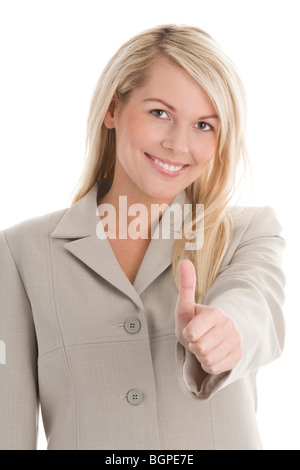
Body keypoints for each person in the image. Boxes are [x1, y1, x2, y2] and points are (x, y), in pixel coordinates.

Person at [0, 24, 286, 450]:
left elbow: (255, 305)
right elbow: (9, 426)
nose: (177, 144)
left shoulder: (247, 231)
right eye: (160, 113)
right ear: (113, 109)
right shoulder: (21, 251)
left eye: (204, 125)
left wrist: (228, 333)